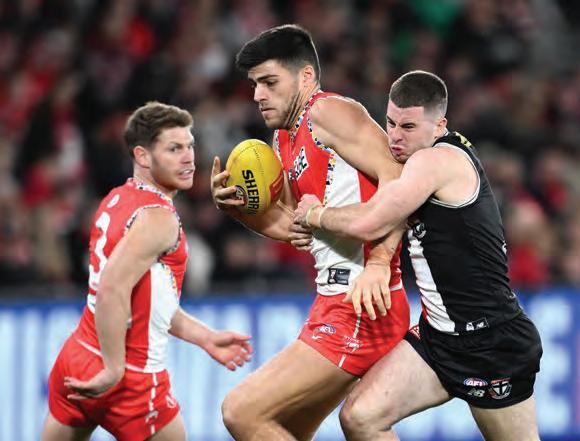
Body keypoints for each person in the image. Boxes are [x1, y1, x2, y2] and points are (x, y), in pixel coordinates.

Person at [294, 70, 543, 441]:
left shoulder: (435, 162)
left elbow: (373, 221)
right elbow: (398, 211)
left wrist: (315, 214)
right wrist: (380, 262)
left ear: (439, 125)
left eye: (408, 126)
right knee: (361, 417)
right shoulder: (419, 162)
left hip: (489, 341)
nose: (395, 136)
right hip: (437, 338)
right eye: (390, 123)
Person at [211, 24, 410, 440]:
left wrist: (378, 263)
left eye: (269, 82)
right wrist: (236, 210)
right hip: (333, 300)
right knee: (287, 427)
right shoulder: (283, 139)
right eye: (254, 84)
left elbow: (400, 180)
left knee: (241, 411)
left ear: (305, 77)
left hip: (363, 302)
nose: (258, 95)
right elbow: (293, 227)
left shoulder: (328, 112)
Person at [42, 101, 253, 441]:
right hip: (131, 375)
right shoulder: (159, 219)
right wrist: (114, 368)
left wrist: (204, 337)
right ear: (142, 156)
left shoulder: (115, 199)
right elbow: (112, 288)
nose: (188, 158)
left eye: (189, 146)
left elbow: (149, 300)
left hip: (79, 355)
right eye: (174, 149)